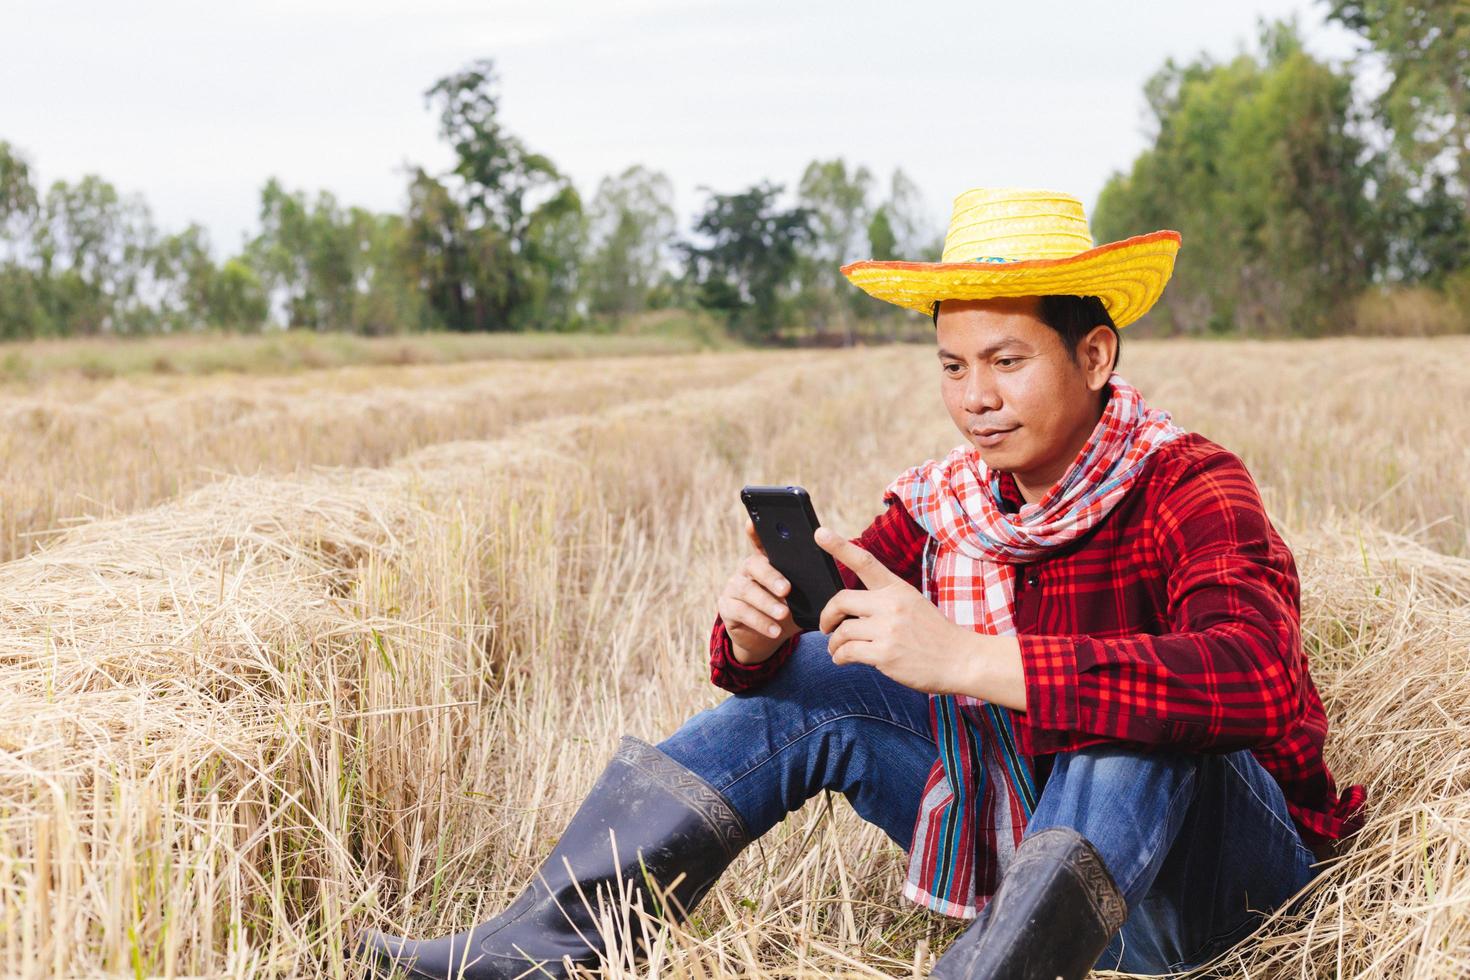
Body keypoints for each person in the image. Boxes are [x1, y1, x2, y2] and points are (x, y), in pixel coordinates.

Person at [354, 188, 1367, 980]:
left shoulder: (1189, 481)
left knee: (1129, 710)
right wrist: (751, 637)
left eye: (1008, 360)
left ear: (1094, 353)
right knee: (810, 675)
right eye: (953, 364)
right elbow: (809, 628)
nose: (975, 397)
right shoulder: (947, 503)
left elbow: (1257, 677)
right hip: (1051, 894)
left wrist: (971, 657)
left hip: (1219, 899)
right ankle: (540, 947)